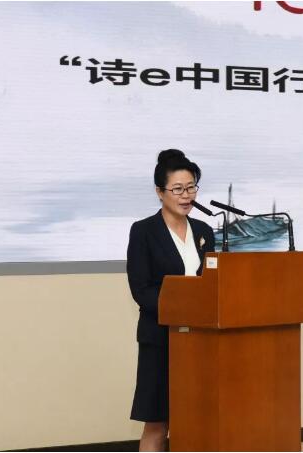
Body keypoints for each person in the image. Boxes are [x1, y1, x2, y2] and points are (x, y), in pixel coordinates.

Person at [126, 149, 215, 452]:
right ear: (159, 192)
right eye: (177, 189)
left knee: (197, 418)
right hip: (161, 339)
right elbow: (141, 289)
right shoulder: (143, 231)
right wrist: (181, 308)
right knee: (157, 423)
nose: (186, 195)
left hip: (201, 339)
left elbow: (213, 282)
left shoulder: (204, 231)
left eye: (191, 187)